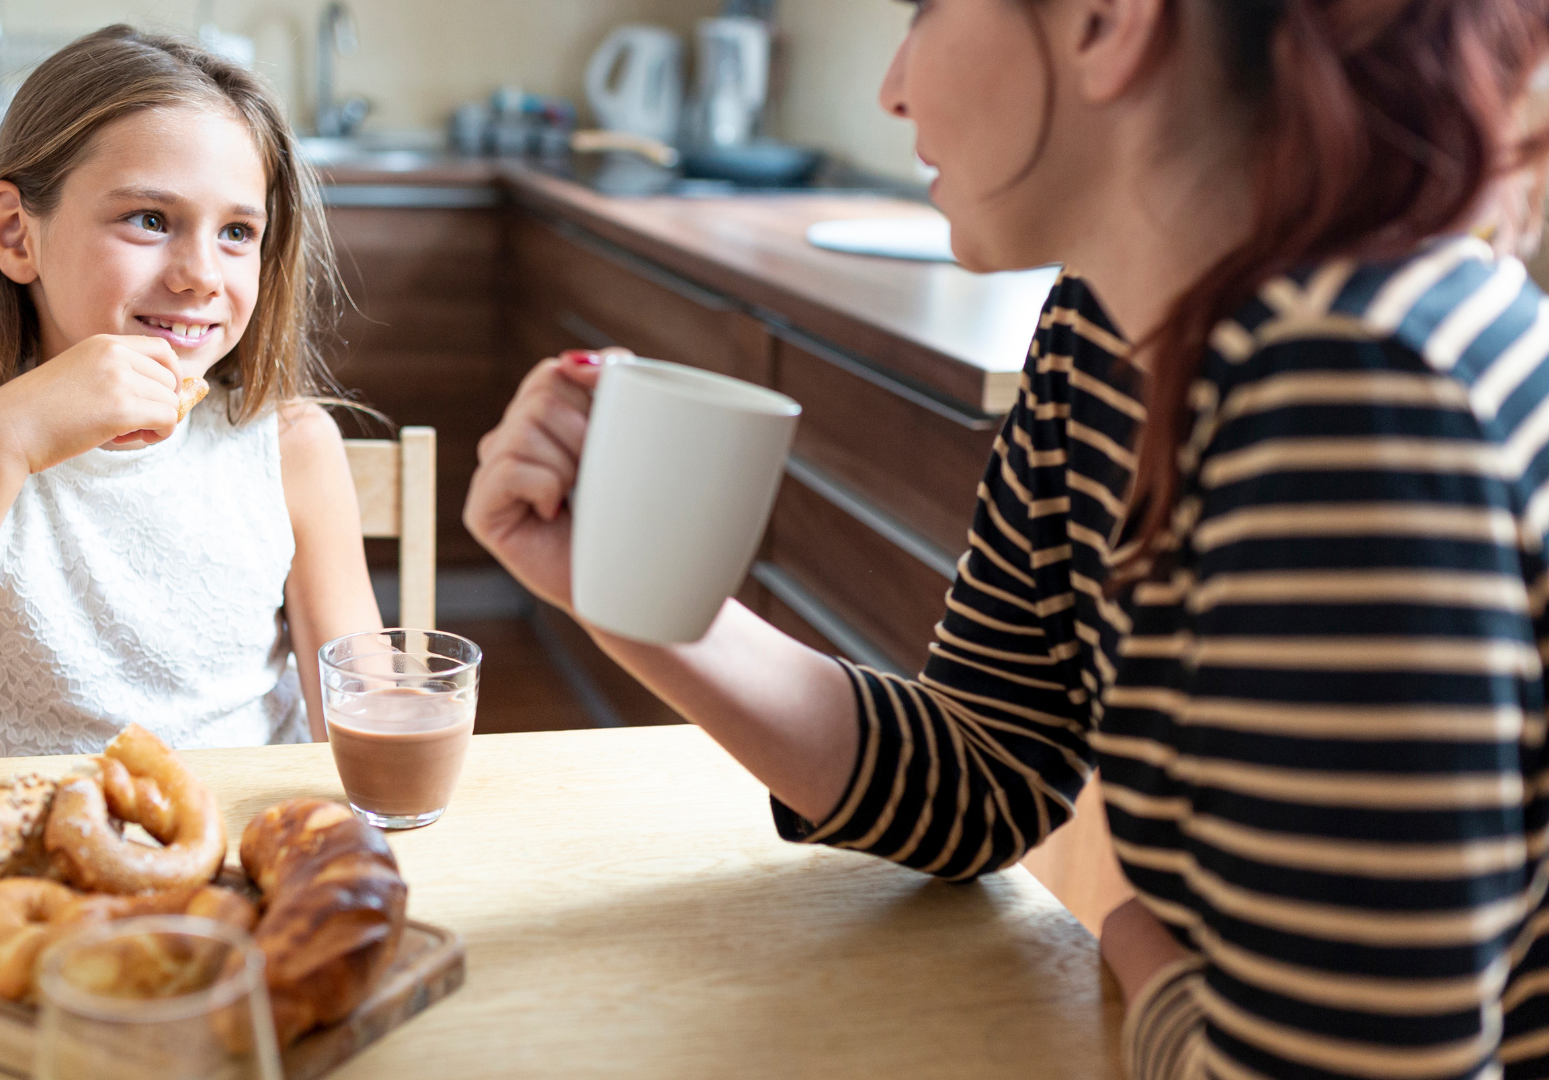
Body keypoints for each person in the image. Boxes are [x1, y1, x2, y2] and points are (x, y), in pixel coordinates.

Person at [466, 1, 1549, 1076]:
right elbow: (985, 774)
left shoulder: (1350, 399)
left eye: (927, 11)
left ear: (1103, 22)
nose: (892, 85)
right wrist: (630, 594)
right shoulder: (1106, 326)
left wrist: (1148, 968)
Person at [0, 26, 381, 797]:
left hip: (246, 865)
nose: (202, 274)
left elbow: (368, 716)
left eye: (237, 232)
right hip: (36, 879)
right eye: (150, 220)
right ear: (14, 234)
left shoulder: (290, 445)